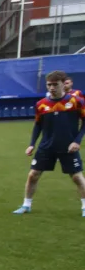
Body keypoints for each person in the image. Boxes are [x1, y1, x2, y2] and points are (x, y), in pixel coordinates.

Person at [13, 70, 85, 216]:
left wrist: (77, 141)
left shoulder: (76, 101)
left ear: (63, 85)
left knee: (77, 177)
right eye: (49, 85)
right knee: (33, 175)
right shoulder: (41, 104)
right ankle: (26, 205)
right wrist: (32, 143)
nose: (52, 88)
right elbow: (38, 125)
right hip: (46, 146)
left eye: (55, 85)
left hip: (68, 146)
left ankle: (84, 206)